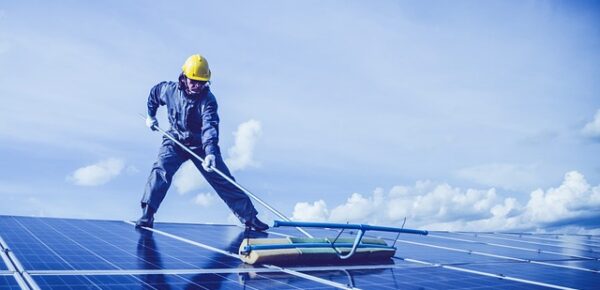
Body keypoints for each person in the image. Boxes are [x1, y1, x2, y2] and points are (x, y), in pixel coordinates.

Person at [135, 54, 269, 232]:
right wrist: (151, 116)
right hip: (175, 140)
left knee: (223, 179)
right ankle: (147, 213)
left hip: (201, 146)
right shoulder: (168, 90)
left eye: (202, 82)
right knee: (161, 169)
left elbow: (209, 126)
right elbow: (154, 95)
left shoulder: (208, 101)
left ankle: (250, 218)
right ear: (184, 77)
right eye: (194, 81)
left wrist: (211, 152)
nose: (197, 85)